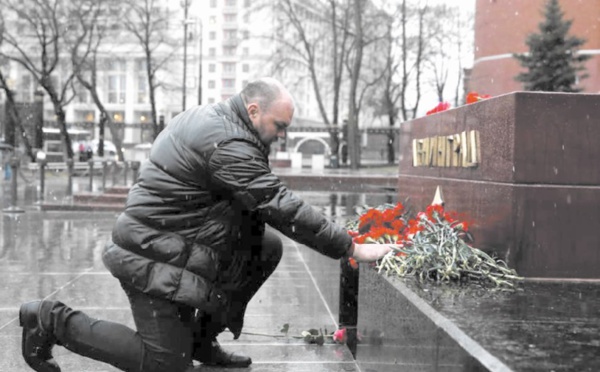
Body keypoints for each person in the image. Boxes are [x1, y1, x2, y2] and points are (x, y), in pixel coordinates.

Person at [19, 77, 394, 372]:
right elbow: (278, 204)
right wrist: (350, 247)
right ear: (253, 109)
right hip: (150, 254)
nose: (282, 136)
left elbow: (252, 208)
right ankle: (50, 320)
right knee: (165, 364)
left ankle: (201, 339)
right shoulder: (227, 142)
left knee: (264, 247)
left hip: (178, 242)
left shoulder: (217, 120)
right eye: (279, 126)